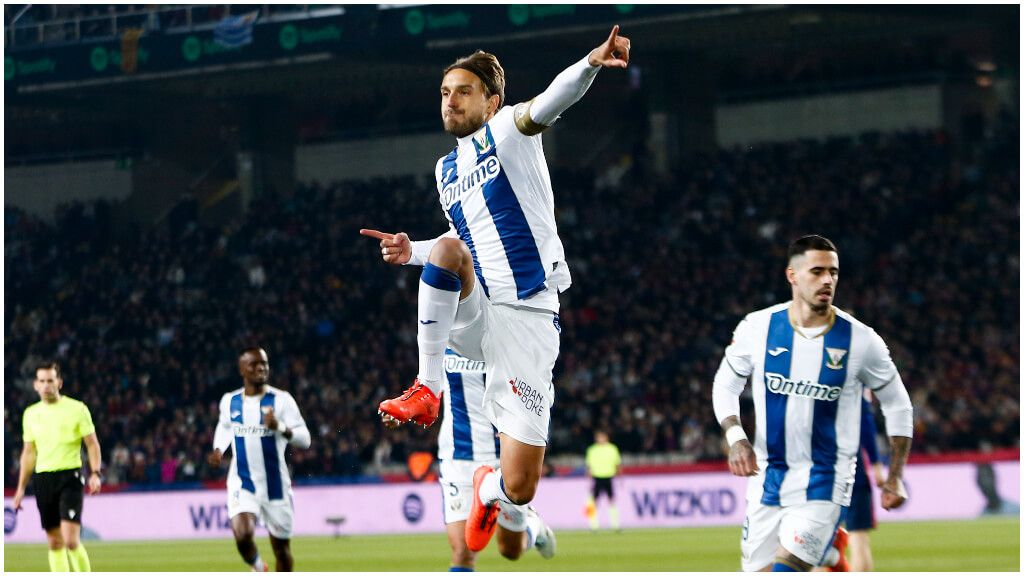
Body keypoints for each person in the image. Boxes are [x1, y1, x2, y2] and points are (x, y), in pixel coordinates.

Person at [362, 24, 632, 553]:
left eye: (463, 91)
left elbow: (548, 103)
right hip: (481, 307)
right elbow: (462, 241)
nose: (451, 100)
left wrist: (592, 63)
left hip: (528, 318)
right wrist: (411, 249)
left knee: (521, 484)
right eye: (444, 92)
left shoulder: (508, 130)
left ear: (491, 101)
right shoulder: (444, 171)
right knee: (445, 252)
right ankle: (427, 387)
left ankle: (491, 489)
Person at [711, 235, 914, 572]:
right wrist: (736, 438)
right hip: (767, 477)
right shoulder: (757, 328)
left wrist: (895, 476)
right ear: (792, 275)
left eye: (833, 273)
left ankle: (825, 546)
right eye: (817, 271)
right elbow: (725, 384)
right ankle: (831, 555)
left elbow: (899, 406)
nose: (827, 280)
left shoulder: (862, 341)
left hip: (826, 478)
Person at [382, 349, 556, 571]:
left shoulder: (505, 333)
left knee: (510, 550)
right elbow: (428, 388)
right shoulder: (441, 335)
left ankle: (534, 527)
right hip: (458, 455)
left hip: (502, 455)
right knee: (463, 551)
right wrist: (405, 411)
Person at [209, 348, 311, 572]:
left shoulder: (282, 401)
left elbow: (305, 440)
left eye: (264, 364)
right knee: (243, 535)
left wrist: (280, 427)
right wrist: (218, 449)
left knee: (282, 552)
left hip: (276, 487)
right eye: (254, 365)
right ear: (242, 369)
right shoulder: (230, 401)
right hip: (242, 482)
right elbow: (225, 427)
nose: (261, 368)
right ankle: (258, 566)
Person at [13, 362, 102, 572]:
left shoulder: (77, 409)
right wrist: (20, 488)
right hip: (43, 478)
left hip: (70, 476)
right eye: (42, 381)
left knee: (71, 540)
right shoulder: (31, 414)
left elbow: (92, 444)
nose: (46, 385)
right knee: (54, 543)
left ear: (59, 383)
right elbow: (29, 453)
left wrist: (95, 473)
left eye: (50, 381)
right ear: (35, 385)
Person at [584, 430, 621, 531]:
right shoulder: (592, 450)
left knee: (611, 501)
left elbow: (617, 464)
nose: (600, 439)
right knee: (593, 502)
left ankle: (615, 525)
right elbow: (589, 466)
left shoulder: (612, 449)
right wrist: (589, 478)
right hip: (597, 478)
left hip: (609, 477)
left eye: (602, 437)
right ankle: (593, 525)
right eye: (598, 437)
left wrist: (619, 476)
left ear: (606, 438)